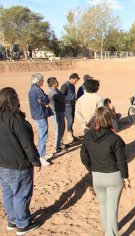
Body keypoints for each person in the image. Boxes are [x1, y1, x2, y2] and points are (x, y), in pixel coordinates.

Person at [80, 106, 130, 236]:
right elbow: (121, 160)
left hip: (97, 176)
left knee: (103, 205)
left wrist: (92, 169)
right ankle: (110, 233)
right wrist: (126, 178)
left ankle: (106, 230)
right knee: (112, 208)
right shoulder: (115, 139)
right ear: (109, 120)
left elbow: (83, 157)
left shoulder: (87, 137)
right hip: (113, 176)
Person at [0, 87, 41, 235]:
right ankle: (23, 224)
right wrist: (35, 161)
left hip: (2, 164)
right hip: (18, 165)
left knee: (8, 193)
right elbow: (27, 144)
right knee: (21, 194)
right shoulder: (16, 119)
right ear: (13, 100)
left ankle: (12, 220)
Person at [28, 73, 52, 166]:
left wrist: (44, 101)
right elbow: (45, 99)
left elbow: (45, 98)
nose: (43, 82)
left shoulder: (34, 88)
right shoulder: (37, 90)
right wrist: (45, 102)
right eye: (42, 80)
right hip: (40, 114)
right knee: (43, 135)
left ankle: (43, 153)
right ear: (38, 81)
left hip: (38, 114)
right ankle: (41, 156)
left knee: (42, 134)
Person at [47, 77, 67, 153]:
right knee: (58, 129)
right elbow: (62, 98)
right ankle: (57, 147)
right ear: (53, 84)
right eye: (56, 82)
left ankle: (59, 143)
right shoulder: (52, 92)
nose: (58, 83)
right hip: (56, 112)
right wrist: (64, 98)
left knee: (61, 128)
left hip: (60, 111)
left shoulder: (56, 90)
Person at [60, 73, 80, 142]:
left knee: (72, 121)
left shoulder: (73, 86)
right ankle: (69, 134)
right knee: (70, 120)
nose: (76, 82)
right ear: (71, 79)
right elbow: (61, 96)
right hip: (67, 105)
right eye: (75, 80)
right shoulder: (65, 85)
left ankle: (71, 134)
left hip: (72, 105)